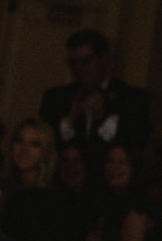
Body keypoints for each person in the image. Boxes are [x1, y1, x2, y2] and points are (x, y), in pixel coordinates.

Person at [38, 27, 150, 168]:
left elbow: (136, 147)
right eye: (73, 63)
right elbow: (46, 147)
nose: (79, 68)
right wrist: (70, 120)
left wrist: (102, 117)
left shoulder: (131, 98)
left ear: (103, 59)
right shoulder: (56, 98)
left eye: (85, 61)